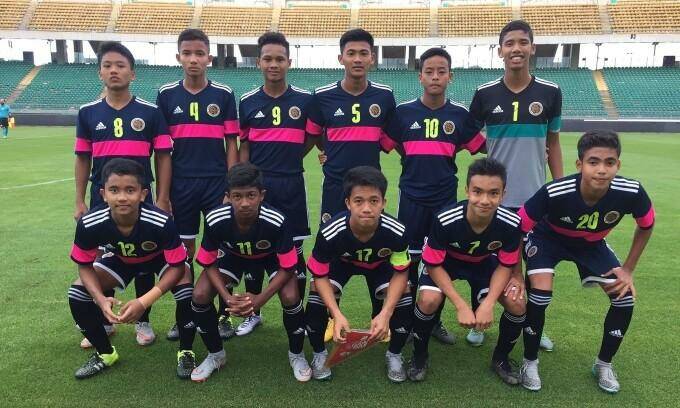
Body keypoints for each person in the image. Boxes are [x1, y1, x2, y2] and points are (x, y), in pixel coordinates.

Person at [517, 130, 655, 393]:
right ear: (580, 164)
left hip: (591, 244)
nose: (601, 169)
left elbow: (647, 225)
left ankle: (603, 364)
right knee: (540, 294)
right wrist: (516, 274)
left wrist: (628, 269)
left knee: (624, 297)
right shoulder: (555, 191)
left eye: (609, 162)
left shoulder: (631, 191)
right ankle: (529, 361)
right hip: (547, 240)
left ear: (618, 165)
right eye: (593, 162)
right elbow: (520, 227)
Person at [468, 20, 562, 350]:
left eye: (523, 42)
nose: (516, 49)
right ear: (500, 51)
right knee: (488, 261)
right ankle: (480, 318)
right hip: (494, 199)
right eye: (509, 43)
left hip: (535, 198)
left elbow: (554, 143)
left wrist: (559, 188)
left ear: (532, 48)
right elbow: (469, 138)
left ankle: (535, 326)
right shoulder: (484, 94)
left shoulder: (551, 92)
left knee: (534, 267)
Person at [383, 47, 486, 346]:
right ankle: (405, 321)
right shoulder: (403, 113)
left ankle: (433, 321)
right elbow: (389, 143)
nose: (435, 77)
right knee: (408, 260)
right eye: (429, 71)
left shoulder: (459, 115)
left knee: (440, 260)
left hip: (445, 200)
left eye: (441, 71)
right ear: (420, 77)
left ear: (450, 77)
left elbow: (478, 146)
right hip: (411, 198)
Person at [74, 42, 172, 347]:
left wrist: (163, 198)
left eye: (120, 65)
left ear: (133, 73)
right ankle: (105, 320)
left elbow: (163, 156)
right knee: (104, 255)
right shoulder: (88, 112)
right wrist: (79, 199)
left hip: (140, 196)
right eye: (107, 65)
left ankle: (143, 320)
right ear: (99, 72)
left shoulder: (150, 112)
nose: (113, 70)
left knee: (145, 253)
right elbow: (82, 158)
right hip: (102, 197)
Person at [305, 28, 397, 341]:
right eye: (351, 53)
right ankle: (332, 317)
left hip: (370, 192)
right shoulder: (322, 96)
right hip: (335, 188)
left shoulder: (384, 96)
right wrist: (328, 150)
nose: (357, 59)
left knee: (378, 248)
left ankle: (379, 318)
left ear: (373, 58)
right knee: (330, 250)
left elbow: (389, 138)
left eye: (363, 53)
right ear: (340, 58)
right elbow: (315, 134)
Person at [68, 158, 194, 379]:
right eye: (114, 190)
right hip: (121, 260)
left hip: (159, 259)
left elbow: (177, 267)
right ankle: (105, 353)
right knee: (77, 293)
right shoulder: (89, 223)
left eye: (130, 190)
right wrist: (100, 299)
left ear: (143, 194)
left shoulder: (161, 221)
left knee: (186, 289)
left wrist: (143, 301)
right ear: (103, 194)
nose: (122, 197)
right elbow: (84, 265)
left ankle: (186, 351)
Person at [408, 158, 525, 385]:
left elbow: (505, 265)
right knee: (429, 300)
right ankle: (419, 356)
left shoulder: (511, 223)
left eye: (493, 193)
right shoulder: (445, 219)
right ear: (467, 191)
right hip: (446, 264)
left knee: (517, 304)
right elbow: (433, 264)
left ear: (503, 194)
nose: (484, 200)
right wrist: (461, 305)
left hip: (484, 263)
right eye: (477, 192)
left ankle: (500, 359)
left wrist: (488, 303)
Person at [190, 163, 309, 382]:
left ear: (261, 195)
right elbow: (208, 262)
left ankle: (297, 354)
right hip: (233, 255)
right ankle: (216, 355)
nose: (244, 203)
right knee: (199, 294)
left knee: (291, 296)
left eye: (251, 195)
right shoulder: (215, 218)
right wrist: (226, 297)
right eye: (237, 196)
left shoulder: (277, 220)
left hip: (270, 257)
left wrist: (260, 299)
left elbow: (288, 266)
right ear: (228, 197)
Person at [156, 29, 239, 341]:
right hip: (182, 186)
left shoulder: (224, 94)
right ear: (178, 57)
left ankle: (223, 314)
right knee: (184, 252)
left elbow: (231, 143)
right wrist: (163, 195)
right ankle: (187, 314)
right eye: (187, 53)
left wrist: (231, 188)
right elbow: (162, 151)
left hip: (216, 184)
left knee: (222, 248)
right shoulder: (166, 94)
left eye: (199, 53)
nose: (193, 59)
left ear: (209, 58)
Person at [236, 31, 317, 336]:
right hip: (257, 189)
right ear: (258, 62)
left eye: (279, 59)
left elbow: (312, 138)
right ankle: (252, 313)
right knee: (253, 250)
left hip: (291, 184)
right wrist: (246, 179)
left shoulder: (305, 100)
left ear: (289, 62)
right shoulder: (247, 101)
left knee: (294, 250)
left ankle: (299, 315)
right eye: (268, 59)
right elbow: (244, 145)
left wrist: (293, 157)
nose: (274, 64)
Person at [304, 166, 413, 382]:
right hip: (342, 263)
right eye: (359, 201)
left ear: (383, 202)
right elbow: (319, 275)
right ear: (348, 203)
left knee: (405, 293)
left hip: (380, 265)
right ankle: (319, 354)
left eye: (374, 201)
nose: (366, 208)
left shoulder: (397, 231)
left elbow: (401, 273)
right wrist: (336, 313)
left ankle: (394, 354)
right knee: (316, 292)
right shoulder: (330, 232)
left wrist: (386, 313)